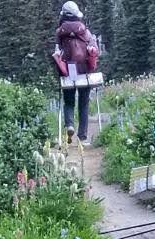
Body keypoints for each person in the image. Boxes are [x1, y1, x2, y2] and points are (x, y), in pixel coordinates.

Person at [55, 1, 99, 144]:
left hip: (68, 70)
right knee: (83, 103)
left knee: (69, 102)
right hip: (84, 70)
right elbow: (94, 48)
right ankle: (82, 136)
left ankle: (69, 125)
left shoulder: (60, 32)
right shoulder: (85, 31)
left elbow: (57, 52)